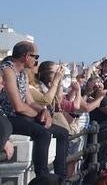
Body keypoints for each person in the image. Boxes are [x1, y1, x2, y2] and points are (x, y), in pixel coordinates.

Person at [0, 41, 69, 179]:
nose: (36, 60)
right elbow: (18, 106)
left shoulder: (23, 73)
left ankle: (61, 177)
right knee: (42, 133)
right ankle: (42, 177)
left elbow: (30, 102)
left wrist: (45, 112)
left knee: (62, 133)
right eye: (35, 57)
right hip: (7, 117)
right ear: (26, 56)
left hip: (20, 116)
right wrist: (38, 115)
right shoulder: (7, 70)